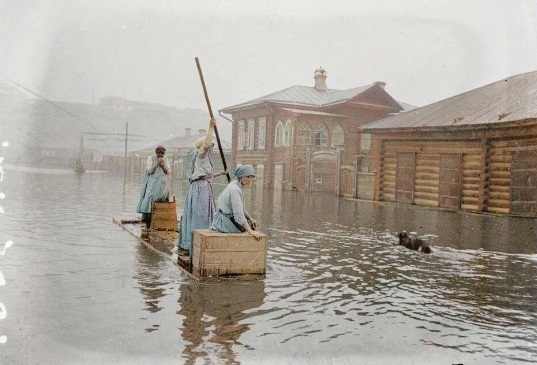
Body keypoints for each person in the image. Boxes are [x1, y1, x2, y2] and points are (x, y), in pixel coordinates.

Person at [178, 117, 227, 255]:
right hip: (199, 189)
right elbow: (205, 145)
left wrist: (222, 173)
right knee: (199, 216)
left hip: (205, 187)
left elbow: (207, 175)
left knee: (205, 216)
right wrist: (210, 127)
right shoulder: (199, 155)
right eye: (209, 145)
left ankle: (203, 243)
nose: (210, 147)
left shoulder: (206, 159)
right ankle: (192, 244)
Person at [210, 164, 263, 240]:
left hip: (225, 219)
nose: (250, 180)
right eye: (247, 177)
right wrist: (251, 231)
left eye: (251, 177)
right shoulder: (235, 189)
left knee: (251, 224)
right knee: (250, 230)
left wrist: (250, 218)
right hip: (224, 222)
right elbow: (238, 215)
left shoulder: (237, 186)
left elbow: (241, 209)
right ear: (241, 176)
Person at [136, 145, 171, 228]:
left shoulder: (166, 159)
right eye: (159, 153)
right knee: (149, 198)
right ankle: (147, 220)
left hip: (162, 182)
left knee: (162, 198)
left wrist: (163, 166)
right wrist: (156, 164)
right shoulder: (150, 158)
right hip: (152, 181)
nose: (160, 155)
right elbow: (149, 170)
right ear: (156, 152)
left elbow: (168, 172)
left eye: (162, 154)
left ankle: (159, 220)